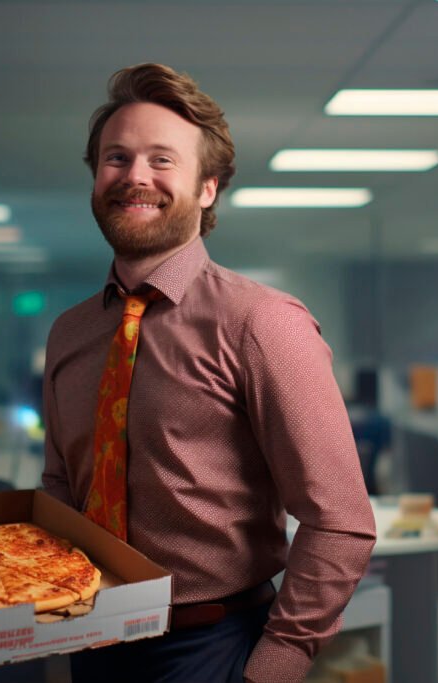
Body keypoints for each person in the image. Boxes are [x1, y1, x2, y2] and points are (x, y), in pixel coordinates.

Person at [41, 63, 376, 683]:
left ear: (207, 188)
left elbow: (341, 522)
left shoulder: (262, 324)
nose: (135, 176)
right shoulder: (69, 333)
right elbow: (62, 485)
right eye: (117, 158)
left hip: (213, 647)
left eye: (162, 160)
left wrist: (273, 667)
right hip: (89, 643)